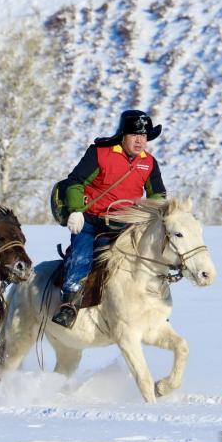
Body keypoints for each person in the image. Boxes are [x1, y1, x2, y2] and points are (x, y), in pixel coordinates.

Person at [52, 110, 167, 329]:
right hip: (90, 222)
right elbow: (74, 182)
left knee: (147, 261)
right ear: (123, 135)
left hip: (124, 226)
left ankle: (152, 306)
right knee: (82, 257)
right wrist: (75, 210)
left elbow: (158, 196)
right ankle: (69, 304)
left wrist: (155, 215)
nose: (140, 140)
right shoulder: (100, 153)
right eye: (134, 134)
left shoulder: (149, 163)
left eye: (144, 136)